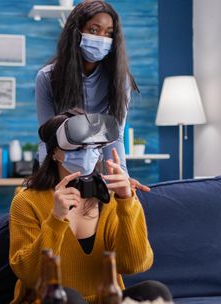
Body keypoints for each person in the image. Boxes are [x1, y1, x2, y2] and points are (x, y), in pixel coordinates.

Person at [1, 113, 171, 304]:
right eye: (79, 147)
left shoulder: (110, 198)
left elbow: (134, 264)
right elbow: (31, 276)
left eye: (94, 147)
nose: (89, 154)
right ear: (54, 152)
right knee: (69, 299)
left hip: (105, 303)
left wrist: (126, 201)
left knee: (154, 292)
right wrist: (56, 218)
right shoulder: (26, 201)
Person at [35, 0, 150, 191]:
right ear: (76, 31)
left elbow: (115, 137)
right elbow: (48, 138)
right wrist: (49, 186)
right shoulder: (47, 78)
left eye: (109, 33)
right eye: (94, 30)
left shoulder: (119, 81)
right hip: (59, 167)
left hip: (99, 169)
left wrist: (121, 177)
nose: (101, 38)